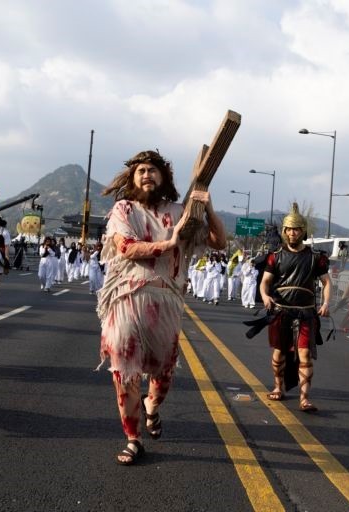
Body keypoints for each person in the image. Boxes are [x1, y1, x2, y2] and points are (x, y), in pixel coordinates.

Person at [96, 149, 226, 465]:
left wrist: (206, 204)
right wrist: (170, 243)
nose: (147, 175)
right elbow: (126, 248)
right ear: (132, 177)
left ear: (164, 177)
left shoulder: (180, 211)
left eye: (153, 170)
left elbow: (218, 242)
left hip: (166, 299)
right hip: (126, 298)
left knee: (162, 370)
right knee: (125, 371)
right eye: (141, 170)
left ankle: (152, 406)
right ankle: (133, 438)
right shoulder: (123, 209)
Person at [259, 203, 331, 412]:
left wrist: (326, 303)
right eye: (289, 229)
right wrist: (265, 296)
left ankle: (304, 397)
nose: (292, 233)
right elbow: (265, 282)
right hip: (281, 311)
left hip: (305, 313)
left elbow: (327, 282)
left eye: (296, 229)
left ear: (303, 231)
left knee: (305, 355)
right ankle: (278, 386)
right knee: (279, 353)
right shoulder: (275, 256)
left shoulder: (315, 257)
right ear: (284, 231)